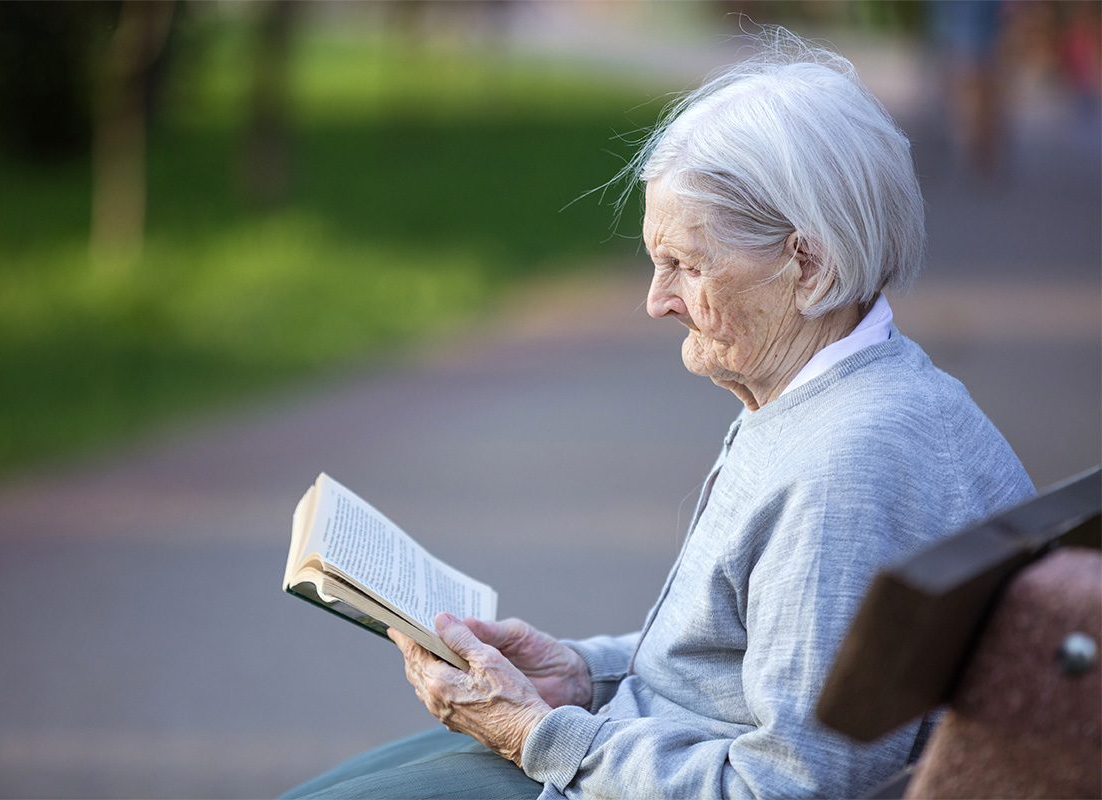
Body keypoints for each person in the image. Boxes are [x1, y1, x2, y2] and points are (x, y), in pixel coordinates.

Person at [282, 28, 1034, 800]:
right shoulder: (846, 396)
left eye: (686, 265)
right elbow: (745, 664)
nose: (656, 300)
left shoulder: (845, 473)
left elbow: (781, 790)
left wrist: (537, 732)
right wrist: (582, 673)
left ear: (808, 266)